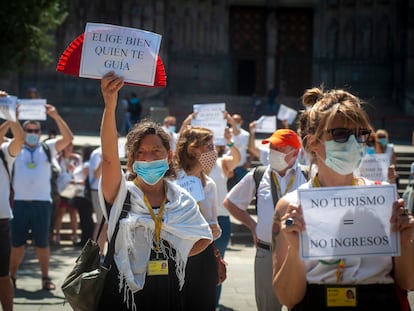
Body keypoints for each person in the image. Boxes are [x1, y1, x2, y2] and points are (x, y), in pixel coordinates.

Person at [271, 86, 414, 310]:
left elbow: (408, 282)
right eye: (340, 134)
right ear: (312, 143)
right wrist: (294, 249)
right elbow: (287, 299)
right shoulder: (291, 206)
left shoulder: (385, 198)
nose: (353, 142)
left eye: (361, 134)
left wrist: (405, 242)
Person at [97, 72, 212, 310]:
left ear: (169, 157)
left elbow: (203, 237)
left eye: (156, 152)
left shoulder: (182, 199)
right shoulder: (121, 194)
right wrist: (110, 106)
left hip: (167, 290)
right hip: (122, 292)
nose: (148, 158)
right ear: (131, 159)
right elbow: (108, 158)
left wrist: (174, 251)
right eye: (140, 153)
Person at [224, 128, 306, 311]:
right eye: (272, 147)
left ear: (296, 151)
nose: (273, 152)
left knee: (303, 304)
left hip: (301, 252)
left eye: (279, 148)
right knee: (268, 307)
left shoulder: (308, 175)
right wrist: (253, 226)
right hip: (266, 252)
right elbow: (230, 203)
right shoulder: (258, 174)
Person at [9, 104, 73, 291]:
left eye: (36, 130)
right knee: (16, 244)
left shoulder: (47, 147)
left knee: (42, 243)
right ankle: (11, 277)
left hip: (42, 203)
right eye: (28, 130)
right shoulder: (15, 146)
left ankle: (45, 278)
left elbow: (69, 138)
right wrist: (10, 117)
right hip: (19, 203)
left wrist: (56, 116)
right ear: (23, 131)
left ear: (40, 132)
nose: (32, 133)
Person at [173, 124, 222, 311]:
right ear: (193, 149)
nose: (214, 152)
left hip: (203, 257)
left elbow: (212, 223)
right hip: (177, 255)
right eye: (209, 147)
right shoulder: (172, 180)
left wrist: (214, 230)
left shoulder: (209, 184)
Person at [208, 124, 241, 309]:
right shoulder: (189, 167)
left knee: (217, 265)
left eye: (211, 144)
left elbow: (237, 157)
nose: (209, 148)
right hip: (198, 221)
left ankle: (214, 304)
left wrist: (230, 141)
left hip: (220, 220)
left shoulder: (222, 163)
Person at [0, 91, 25, 311]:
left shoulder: (3, 153)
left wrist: (9, 114)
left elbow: (19, 139)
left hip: (0, 222)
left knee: (2, 275)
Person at [52, 142, 82, 245]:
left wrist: (73, 170)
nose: (69, 148)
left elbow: (81, 171)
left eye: (71, 146)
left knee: (73, 213)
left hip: (73, 187)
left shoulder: (77, 158)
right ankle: (56, 235)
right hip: (61, 188)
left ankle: (74, 235)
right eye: (67, 146)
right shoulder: (58, 158)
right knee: (60, 212)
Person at [70, 144, 94, 247]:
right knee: (84, 218)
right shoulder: (85, 164)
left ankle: (87, 239)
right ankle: (86, 239)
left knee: (86, 219)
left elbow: (85, 181)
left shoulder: (86, 165)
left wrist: (74, 182)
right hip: (80, 195)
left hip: (83, 196)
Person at [226, 113, 250, 190]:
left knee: (242, 190)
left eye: (237, 121)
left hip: (241, 166)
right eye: (233, 121)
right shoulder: (226, 133)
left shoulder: (245, 134)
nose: (235, 123)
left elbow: (249, 149)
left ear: (241, 122)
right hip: (229, 167)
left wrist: (249, 161)